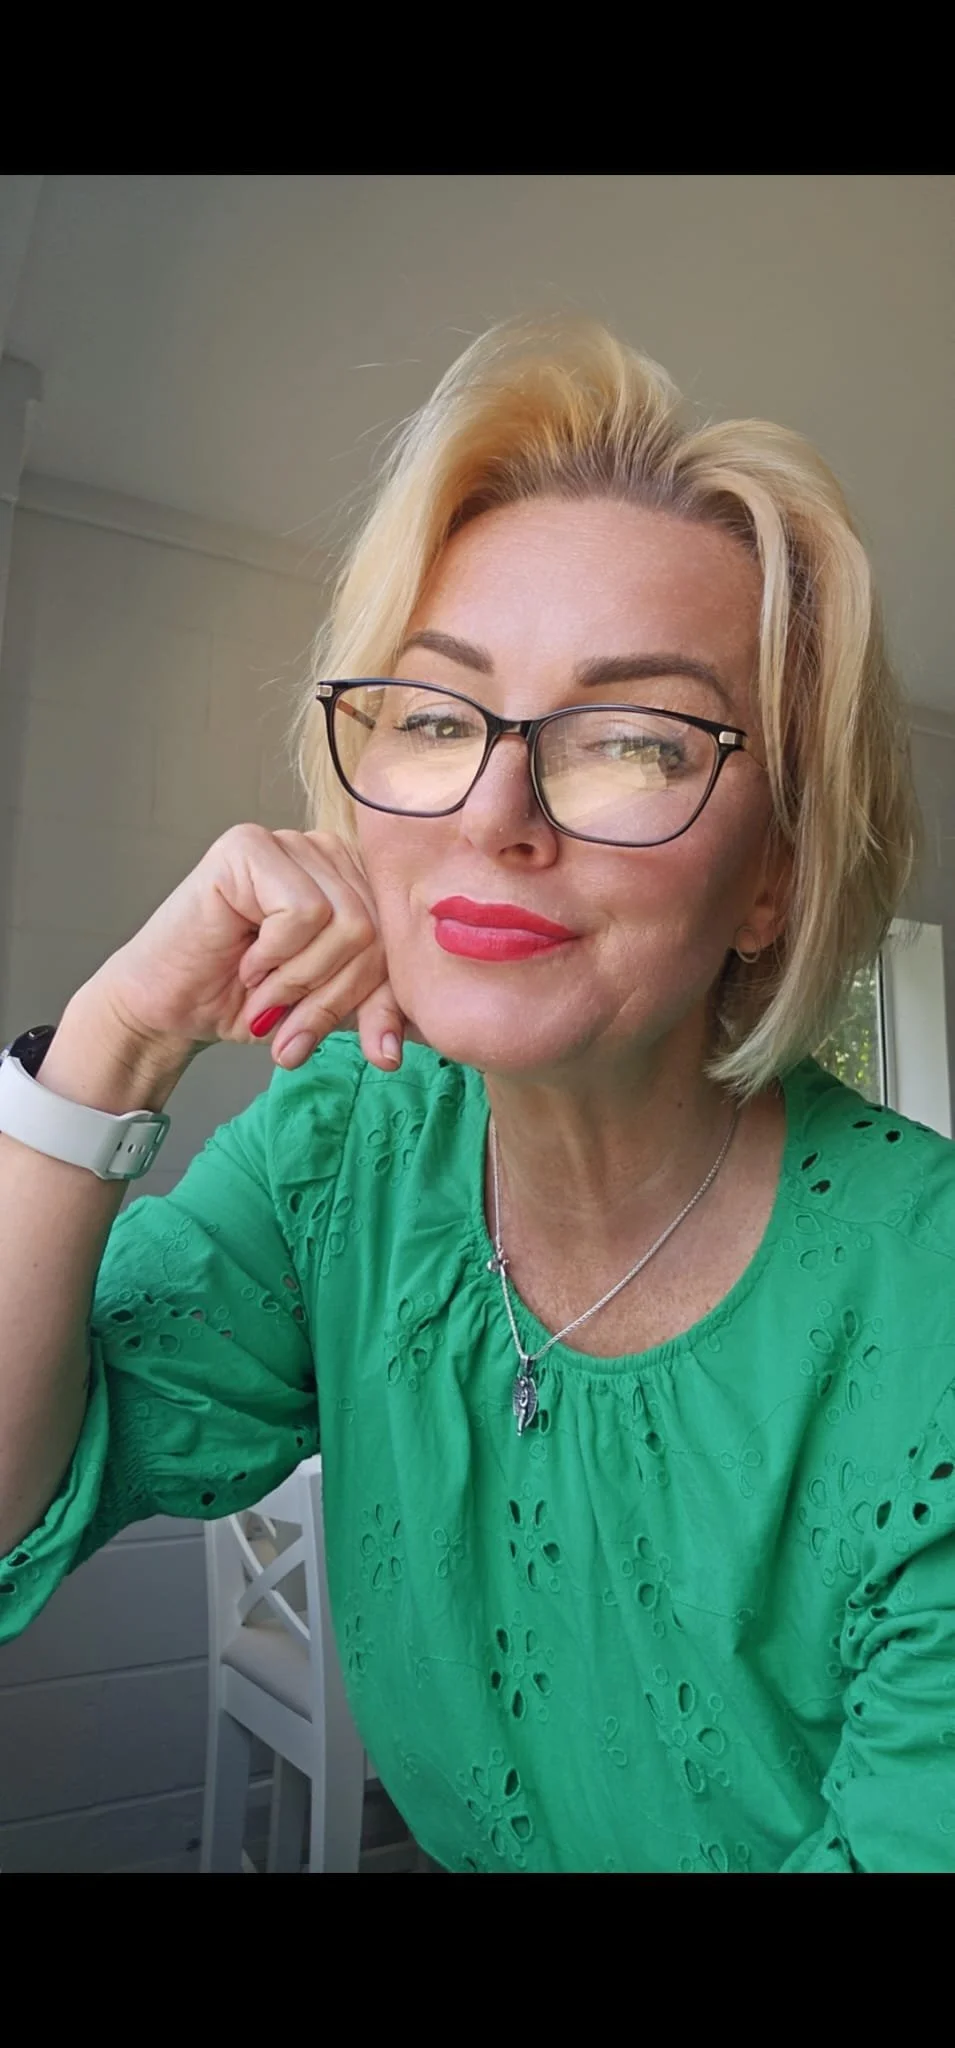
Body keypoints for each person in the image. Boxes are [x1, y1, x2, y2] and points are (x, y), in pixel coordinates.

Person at [1, 317, 953, 1876]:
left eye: (631, 741)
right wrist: (112, 1039)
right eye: (436, 719)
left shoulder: (926, 1316)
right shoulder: (344, 1151)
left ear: (771, 879)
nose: (494, 813)